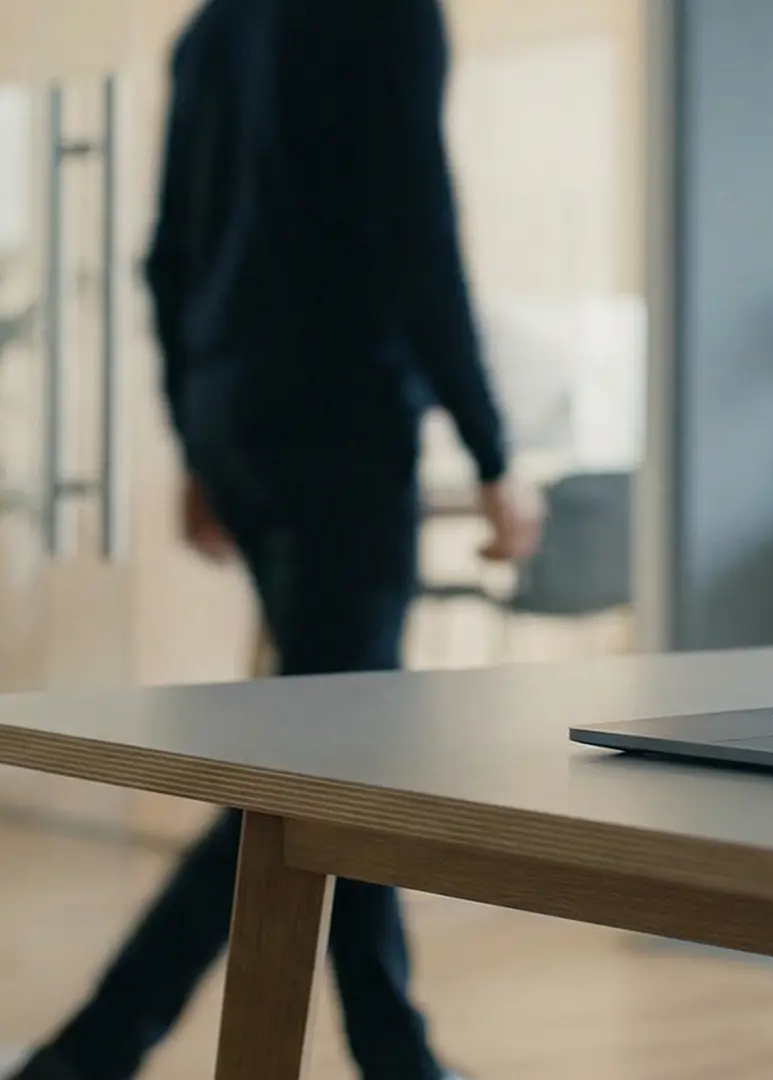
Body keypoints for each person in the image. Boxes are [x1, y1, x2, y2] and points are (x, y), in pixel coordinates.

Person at [9, 0, 540, 1078]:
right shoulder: (383, 19)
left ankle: (383, 1050)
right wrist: (491, 450)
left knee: (326, 751)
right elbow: (415, 232)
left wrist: (199, 438)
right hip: (338, 423)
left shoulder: (213, 31)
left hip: (238, 421)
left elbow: (166, 259)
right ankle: (94, 1055)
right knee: (328, 768)